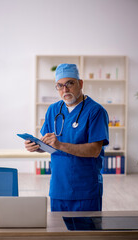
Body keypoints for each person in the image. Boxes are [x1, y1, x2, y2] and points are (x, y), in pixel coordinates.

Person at [25, 63, 109, 212]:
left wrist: (60, 145)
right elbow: (49, 145)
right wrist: (36, 146)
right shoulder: (53, 110)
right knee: (59, 234)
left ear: (80, 83)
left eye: (70, 83)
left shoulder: (96, 111)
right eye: (60, 85)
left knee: (86, 235)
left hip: (86, 189)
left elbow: (95, 150)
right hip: (59, 188)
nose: (65, 89)